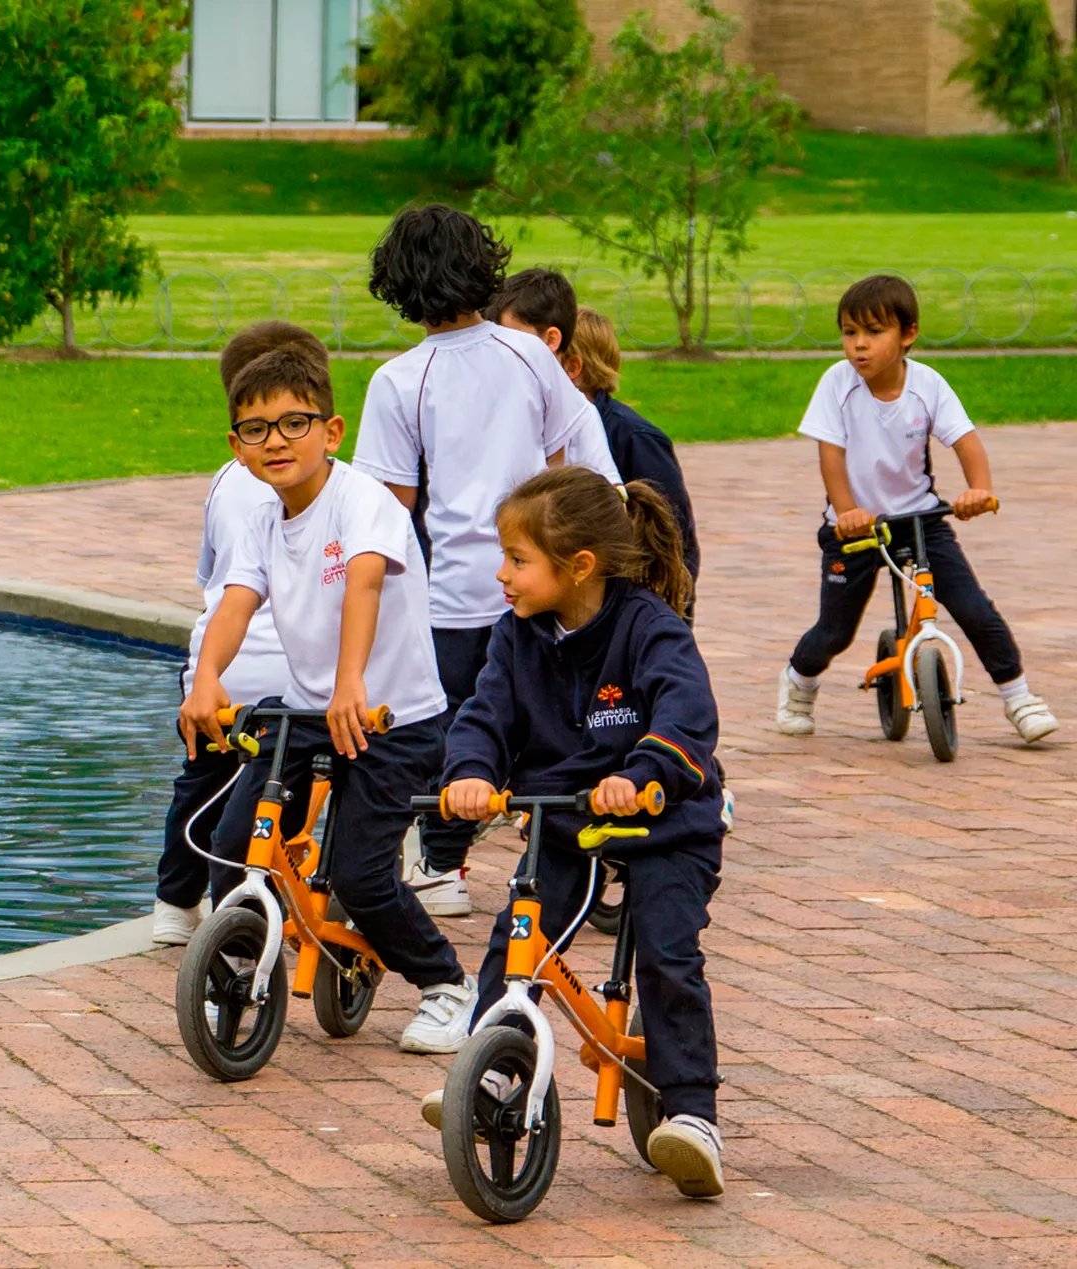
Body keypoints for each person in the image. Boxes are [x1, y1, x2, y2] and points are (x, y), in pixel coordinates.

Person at [429, 464, 729, 1198]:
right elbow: (484, 714)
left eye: (517, 560)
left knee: (666, 951)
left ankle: (692, 1113)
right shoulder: (516, 636)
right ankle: (492, 1071)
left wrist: (647, 771)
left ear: (579, 566)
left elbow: (686, 714)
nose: (501, 575)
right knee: (517, 939)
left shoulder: (649, 626)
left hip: (666, 820)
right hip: (565, 819)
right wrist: (470, 771)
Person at [180, 342, 477, 1055]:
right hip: (309, 710)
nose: (275, 441)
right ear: (237, 446)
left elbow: (365, 584)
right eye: (256, 429)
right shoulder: (261, 517)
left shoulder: (362, 499)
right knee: (230, 845)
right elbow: (235, 600)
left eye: (293, 423)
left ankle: (448, 986)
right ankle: (242, 969)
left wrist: (352, 683)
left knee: (361, 872)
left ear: (331, 431)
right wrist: (206, 678)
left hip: (390, 717)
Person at [353, 206, 620, 921]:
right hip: (546, 577)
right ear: (484, 266)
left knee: (456, 731)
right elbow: (571, 448)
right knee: (554, 724)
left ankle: (437, 864)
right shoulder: (528, 353)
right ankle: (573, 862)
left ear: (397, 281)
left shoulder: (398, 380)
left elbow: (391, 508)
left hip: (454, 595)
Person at [775, 274, 1057, 743]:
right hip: (857, 528)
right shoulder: (837, 384)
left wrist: (978, 490)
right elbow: (831, 456)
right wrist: (847, 512)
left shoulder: (927, 384)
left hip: (920, 521)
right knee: (835, 631)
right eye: (849, 333)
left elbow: (965, 442)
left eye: (873, 332)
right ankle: (799, 682)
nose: (858, 346)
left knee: (974, 610)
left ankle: (1019, 697)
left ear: (908, 335)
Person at [153, 322, 323, 945]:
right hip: (288, 678)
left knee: (198, 783)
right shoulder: (325, 484)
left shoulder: (226, 480)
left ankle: (174, 903)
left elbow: (210, 576)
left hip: (216, 672)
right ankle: (265, 905)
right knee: (279, 799)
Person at [487, 272, 701, 603]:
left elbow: (671, 539)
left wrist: (659, 613)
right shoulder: (513, 418)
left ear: (569, 364)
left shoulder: (633, 437)